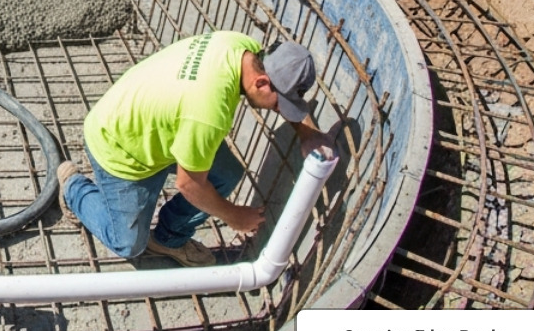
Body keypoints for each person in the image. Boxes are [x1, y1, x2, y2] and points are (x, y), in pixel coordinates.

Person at [58, 32, 335, 267]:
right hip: (120, 149)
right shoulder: (209, 111)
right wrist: (234, 215)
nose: (278, 110)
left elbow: (277, 93)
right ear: (261, 82)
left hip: (153, 124)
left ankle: (168, 239)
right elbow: (188, 184)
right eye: (278, 105)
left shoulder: (241, 47)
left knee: (225, 173)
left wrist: (306, 131)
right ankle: (74, 188)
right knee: (128, 244)